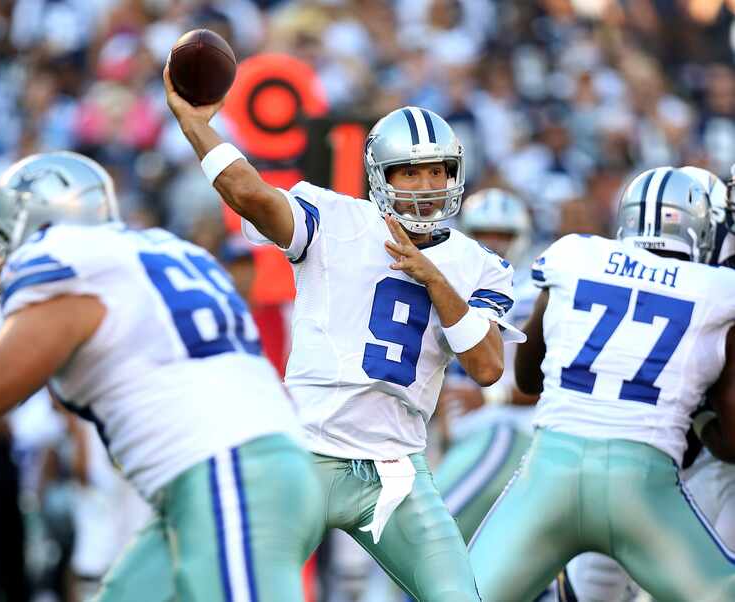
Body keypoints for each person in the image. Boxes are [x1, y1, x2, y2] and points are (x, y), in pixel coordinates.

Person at [164, 66, 524, 600]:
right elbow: (249, 194)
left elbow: (489, 366)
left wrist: (433, 278)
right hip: (306, 453)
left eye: (437, 172)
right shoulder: (335, 219)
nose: (427, 187)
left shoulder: (478, 264)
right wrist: (194, 124)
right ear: (381, 177)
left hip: (396, 470)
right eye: (410, 173)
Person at [0, 151, 322, 602]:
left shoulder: (76, 264)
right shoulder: (164, 249)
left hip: (230, 475)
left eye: (8, 231)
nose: (2, 251)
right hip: (241, 469)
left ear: (44, 223)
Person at [469, 166, 735, 601]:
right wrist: (697, 404)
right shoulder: (718, 290)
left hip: (549, 474)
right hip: (644, 486)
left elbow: (527, 378)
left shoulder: (575, 255)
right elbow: (730, 441)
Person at [433, 188, 538, 539]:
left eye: (503, 234)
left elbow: (555, 382)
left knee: (435, 534)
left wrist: (494, 399)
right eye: (484, 233)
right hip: (462, 436)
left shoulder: (532, 291)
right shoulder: (447, 283)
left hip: (509, 430)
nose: (493, 242)